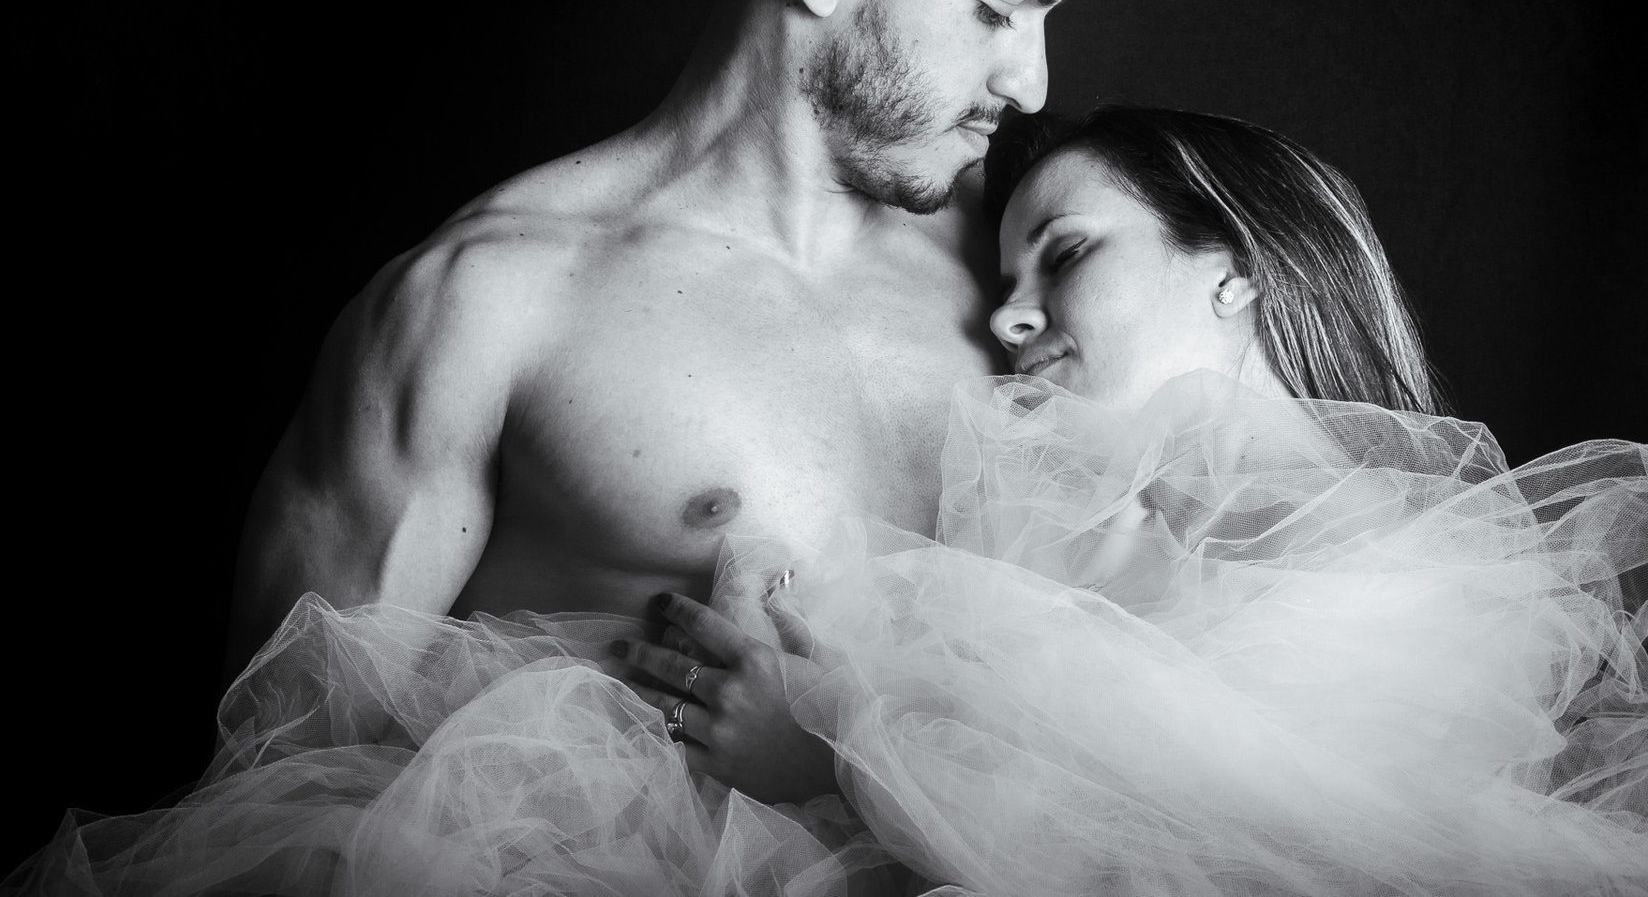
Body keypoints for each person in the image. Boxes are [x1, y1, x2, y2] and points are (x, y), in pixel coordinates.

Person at [224, 0, 1104, 673]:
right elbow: (290, 756)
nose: (1032, 82)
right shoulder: (489, 300)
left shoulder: (1044, 273)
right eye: (998, 7)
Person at [613, 106, 1648, 893]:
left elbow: (1205, 861)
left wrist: (836, 753)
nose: (1012, 318)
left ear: (1234, 267)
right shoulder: (1060, 531)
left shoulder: (1392, 568)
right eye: (1003, 284)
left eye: (1063, 253)